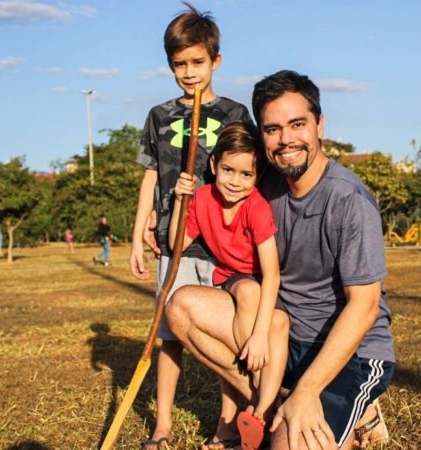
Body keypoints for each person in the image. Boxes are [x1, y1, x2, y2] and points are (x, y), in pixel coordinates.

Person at [166, 70, 396, 450]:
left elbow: (366, 306)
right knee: (182, 307)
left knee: (290, 446)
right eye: (273, 129)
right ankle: (270, 411)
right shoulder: (263, 183)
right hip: (285, 336)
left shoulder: (347, 201)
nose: (286, 139)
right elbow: (212, 197)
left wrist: (306, 390)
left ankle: (351, 408)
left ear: (320, 125)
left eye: (297, 124)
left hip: (349, 353)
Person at [128, 3, 253, 449]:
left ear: (215, 61)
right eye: (179, 64)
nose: (189, 72)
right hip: (173, 242)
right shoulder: (159, 116)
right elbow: (149, 176)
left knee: (227, 334)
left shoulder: (235, 112)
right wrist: (139, 233)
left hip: (223, 243)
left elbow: (247, 174)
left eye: (197, 62)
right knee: (170, 338)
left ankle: (227, 425)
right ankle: (163, 426)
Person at [169, 121, 288, 440]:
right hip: (232, 280)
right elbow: (175, 244)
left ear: (257, 176)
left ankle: (260, 410)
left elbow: (272, 273)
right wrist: (182, 200)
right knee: (246, 291)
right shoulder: (203, 198)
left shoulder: (256, 207)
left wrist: (260, 334)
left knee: (272, 319)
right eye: (228, 170)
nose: (235, 181)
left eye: (246, 174)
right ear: (213, 165)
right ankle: (264, 398)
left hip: (264, 283)